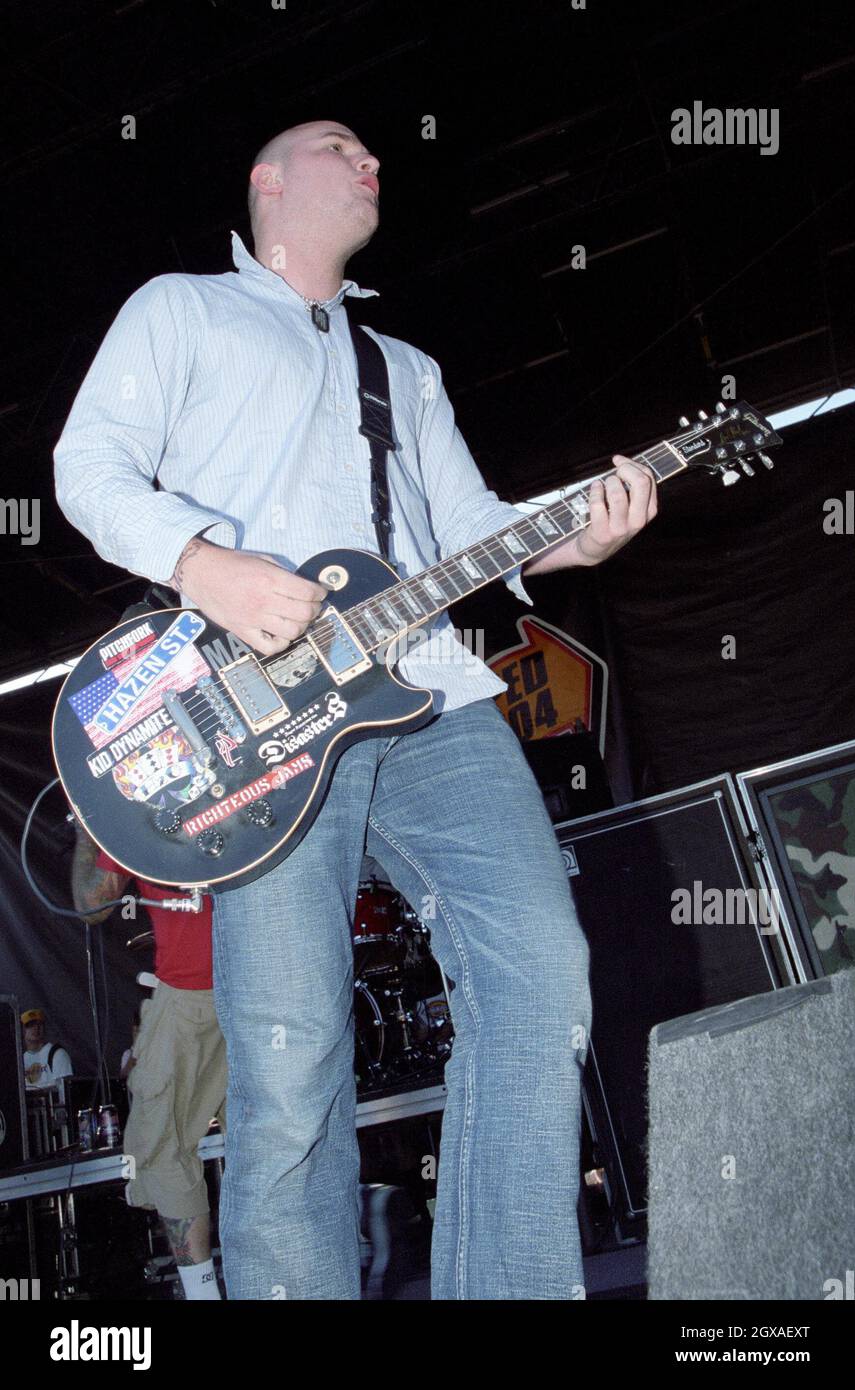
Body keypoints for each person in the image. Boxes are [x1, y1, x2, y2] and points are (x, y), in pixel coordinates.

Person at [54, 119, 658, 1299]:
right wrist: (202, 562)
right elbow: (91, 466)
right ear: (265, 179)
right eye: (341, 143)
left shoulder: (406, 369)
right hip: (259, 729)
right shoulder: (183, 309)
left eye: (377, 149)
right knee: (288, 1057)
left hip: (427, 694)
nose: (370, 157)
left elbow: (469, 528)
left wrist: (570, 533)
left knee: (540, 968)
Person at [71, 822, 225, 1301]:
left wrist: (86, 830)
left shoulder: (128, 808)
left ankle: (203, 1295)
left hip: (194, 999)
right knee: (275, 1130)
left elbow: (92, 903)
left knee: (160, 1150)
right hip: (268, 974)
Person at [21, 1009, 73, 1090]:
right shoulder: (20, 1061)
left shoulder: (57, 1054)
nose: (36, 1028)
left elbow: (65, 1092)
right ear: (23, 1030)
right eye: (30, 1025)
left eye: (39, 1024)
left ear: (44, 1027)